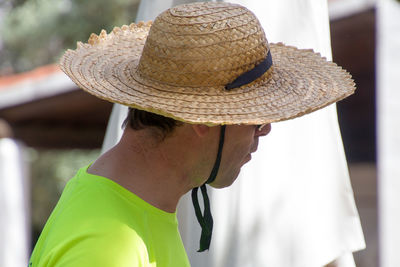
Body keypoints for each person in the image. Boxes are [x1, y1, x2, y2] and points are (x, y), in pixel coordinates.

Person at [29, 2, 356, 266]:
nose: (266, 129)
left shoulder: (134, 212)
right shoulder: (107, 247)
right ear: (206, 119)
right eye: (255, 117)